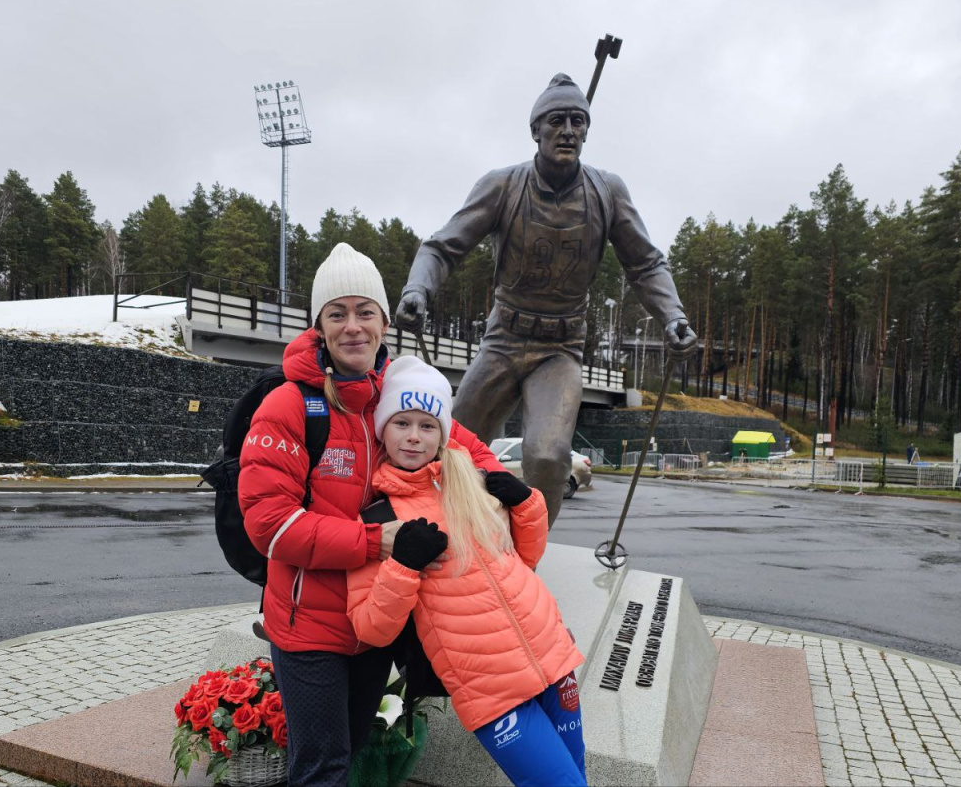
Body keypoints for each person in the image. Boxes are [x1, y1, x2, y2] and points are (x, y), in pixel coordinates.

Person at [238, 243, 504, 787]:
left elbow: (463, 445)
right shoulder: (288, 405)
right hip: (306, 625)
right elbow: (271, 525)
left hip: (374, 624)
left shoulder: (395, 393)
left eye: (365, 312)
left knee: (352, 750)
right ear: (319, 326)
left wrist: (499, 484)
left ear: (384, 321)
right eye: (337, 314)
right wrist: (375, 542)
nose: (353, 327)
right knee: (322, 770)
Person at [396, 72, 698, 525]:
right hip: (504, 338)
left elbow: (646, 264)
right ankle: (445, 536)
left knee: (549, 455)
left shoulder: (607, 192)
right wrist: (418, 288)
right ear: (535, 130)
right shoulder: (503, 186)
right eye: (556, 120)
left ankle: (527, 558)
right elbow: (444, 246)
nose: (569, 131)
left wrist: (673, 315)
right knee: (451, 443)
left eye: (578, 121)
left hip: (560, 348)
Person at [348, 356, 588, 787]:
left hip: (552, 655)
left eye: (427, 425)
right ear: (383, 428)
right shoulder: (378, 516)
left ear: (442, 431)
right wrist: (404, 565)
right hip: (492, 691)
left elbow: (524, 561)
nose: (414, 437)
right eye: (402, 423)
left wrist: (527, 504)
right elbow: (371, 629)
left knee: (577, 778)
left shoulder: (472, 481)